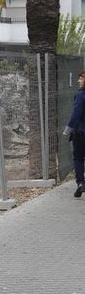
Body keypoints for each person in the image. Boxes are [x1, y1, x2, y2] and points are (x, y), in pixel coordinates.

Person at [65, 70, 85, 198]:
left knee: (78, 158)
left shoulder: (81, 95)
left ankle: (80, 183)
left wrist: (68, 129)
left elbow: (76, 113)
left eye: (81, 78)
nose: (78, 81)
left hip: (80, 132)